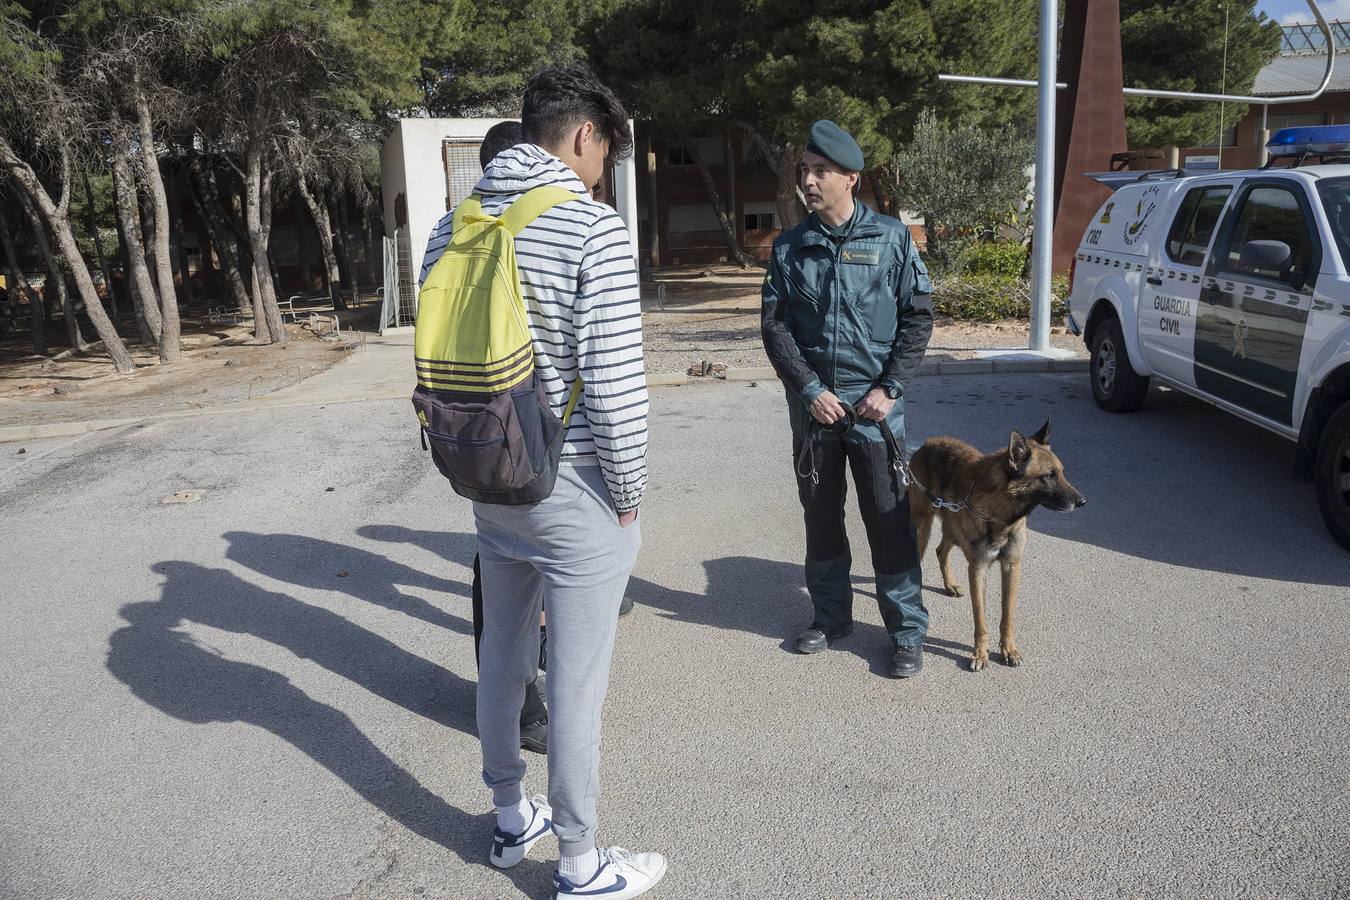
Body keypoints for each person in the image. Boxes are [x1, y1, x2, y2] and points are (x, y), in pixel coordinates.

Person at [421, 67, 666, 898]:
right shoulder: (589, 230)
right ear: (584, 136)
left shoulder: (450, 227)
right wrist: (630, 493)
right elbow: (618, 389)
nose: (604, 174)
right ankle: (579, 861)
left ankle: (506, 817)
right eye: (607, 156)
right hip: (576, 490)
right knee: (576, 682)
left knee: (502, 658)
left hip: (487, 478)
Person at [761, 119, 934, 679]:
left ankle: (905, 631)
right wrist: (810, 390)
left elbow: (918, 317)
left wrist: (890, 389)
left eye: (820, 172)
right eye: (804, 172)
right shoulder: (790, 248)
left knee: (889, 521)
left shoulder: (891, 240)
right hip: (816, 416)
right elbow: (775, 328)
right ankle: (831, 617)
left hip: (875, 415)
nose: (808, 182)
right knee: (822, 519)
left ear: (850, 179)